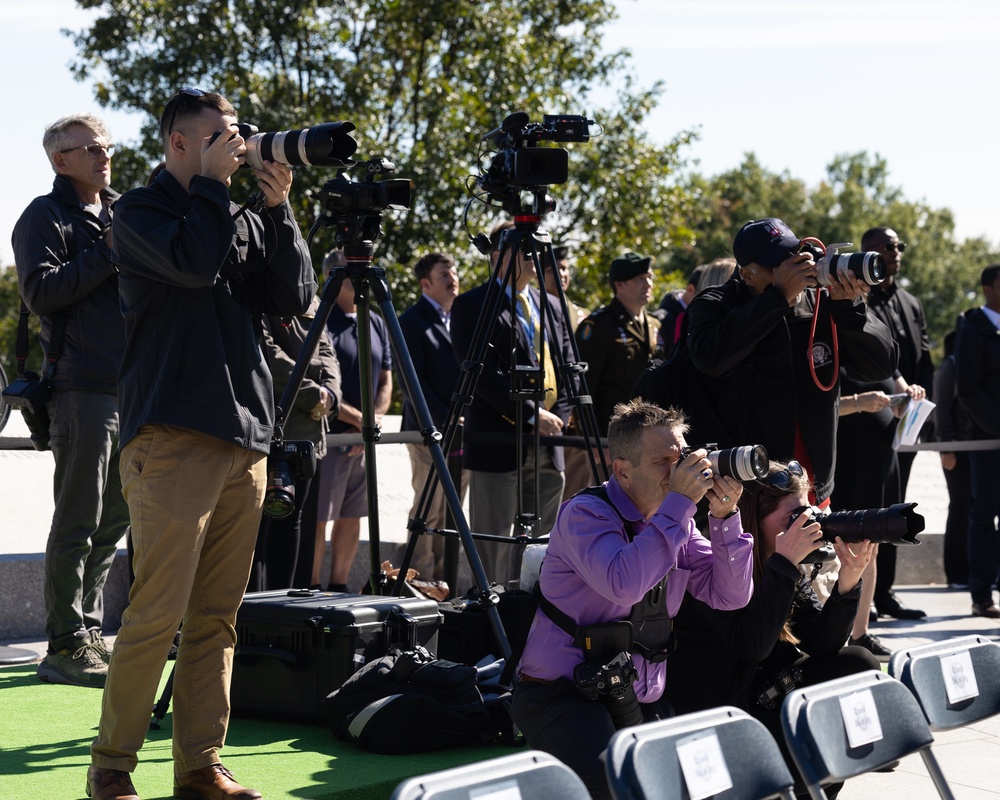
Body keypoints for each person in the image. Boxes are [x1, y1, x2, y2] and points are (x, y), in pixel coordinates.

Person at [88, 89, 314, 800]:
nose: (235, 145)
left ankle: (199, 767)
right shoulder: (139, 213)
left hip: (243, 438)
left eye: (238, 134)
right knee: (157, 613)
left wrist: (280, 213)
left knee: (217, 619)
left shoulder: (236, 215)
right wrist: (218, 190)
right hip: (174, 437)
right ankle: (112, 767)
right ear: (178, 143)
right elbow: (192, 262)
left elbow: (294, 298)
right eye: (218, 135)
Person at [510, 400, 753, 798]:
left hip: (633, 696)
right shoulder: (585, 515)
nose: (678, 473)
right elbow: (623, 583)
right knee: (613, 785)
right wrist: (680, 507)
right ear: (622, 470)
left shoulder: (678, 520)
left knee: (705, 783)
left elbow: (730, 596)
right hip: (561, 696)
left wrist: (725, 518)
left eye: (682, 458)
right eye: (664, 461)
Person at [664, 460, 879, 797]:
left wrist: (847, 585)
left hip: (765, 694)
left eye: (807, 512)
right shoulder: (713, 564)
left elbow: (820, 643)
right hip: (721, 712)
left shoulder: (782, 563)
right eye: (793, 518)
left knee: (857, 665)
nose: (806, 524)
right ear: (754, 519)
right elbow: (753, 645)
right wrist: (784, 565)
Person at [12, 113, 130, 688]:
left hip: (133, 387)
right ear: (60, 160)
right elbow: (41, 293)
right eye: (88, 149)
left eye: (105, 146)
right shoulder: (43, 215)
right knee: (80, 518)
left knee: (116, 518)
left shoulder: (123, 210)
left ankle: (87, 631)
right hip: (82, 387)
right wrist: (107, 250)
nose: (102, 155)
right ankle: (63, 643)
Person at [679, 218, 898, 506]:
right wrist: (776, 299)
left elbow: (881, 365)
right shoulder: (716, 304)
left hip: (814, 488)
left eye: (794, 256)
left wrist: (850, 308)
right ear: (746, 274)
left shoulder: (818, 303)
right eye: (777, 265)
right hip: (747, 491)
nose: (793, 269)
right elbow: (712, 359)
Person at [449, 220, 574, 588]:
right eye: (524, 249)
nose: (533, 257)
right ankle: (490, 623)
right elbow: (481, 376)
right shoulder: (472, 304)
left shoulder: (551, 304)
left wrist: (560, 417)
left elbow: (567, 368)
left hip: (551, 446)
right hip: (500, 443)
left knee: (543, 547)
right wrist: (533, 415)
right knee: (494, 546)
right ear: (499, 255)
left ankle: (534, 620)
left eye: (536, 248)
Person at [860, 226, 932, 619]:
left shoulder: (909, 301)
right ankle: (862, 598)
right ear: (868, 251)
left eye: (899, 246)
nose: (896, 252)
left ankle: (885, 591)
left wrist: (925, 413)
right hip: (869, 422)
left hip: (907, 420)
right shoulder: (859, 299)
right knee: (870, 509)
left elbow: (923, 358)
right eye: (888, 247)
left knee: (898, 505)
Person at [248, 294, 342, 591]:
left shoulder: (310, 296)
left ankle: (280, 609)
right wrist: (314, 395)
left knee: (291, 524)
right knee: (254, 531)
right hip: (269, 430)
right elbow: (265, 351)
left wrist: (330, 394)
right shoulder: (258, 284)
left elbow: (326, 350)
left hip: (308, 433)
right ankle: (249, 616)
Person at [313, 251, 393, 591]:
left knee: (352, 514)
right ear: (333, 274)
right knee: (319, 517)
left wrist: (372, 421)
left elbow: (387, 377)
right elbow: (316, 381)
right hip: (328, 435)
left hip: (363, 441)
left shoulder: (373, 320)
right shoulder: (319, 317)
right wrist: (360, 421)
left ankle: (339, 586)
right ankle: (311, 585)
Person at [398, 251, 467, 582]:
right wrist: (445, 418)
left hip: (464, 434)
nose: (453, 277)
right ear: (426, 283)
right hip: (429, 433)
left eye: (454, 271)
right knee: (428, 510)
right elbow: (412, 383)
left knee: (451, 512)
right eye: (444, 274)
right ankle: (419, 582)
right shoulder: (411, 321)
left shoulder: (463, 318)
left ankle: (443, 585)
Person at [832, 378, 900, 659]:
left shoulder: (880, 346)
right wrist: (858, 403)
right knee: (842, 545)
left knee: (871, 545)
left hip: (879, 460)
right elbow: (811, 406)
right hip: (847, 459)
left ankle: (860, 634)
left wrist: (907, 398)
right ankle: (832, 635)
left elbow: (899, 390)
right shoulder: (829, 341)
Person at [956, 264, 1000, 619]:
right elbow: (968, 391)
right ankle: (981, 595)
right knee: (984, 515)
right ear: (988, 288)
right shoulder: (973, 330)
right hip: (988, 442)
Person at [932, 327, 971, 589]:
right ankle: (956, 573)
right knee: (960, 506)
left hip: (978, 448)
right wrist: (946, 448)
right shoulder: (951, 367)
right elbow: (942, 411)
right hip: (956, 450)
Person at [545, 245, 588, 333]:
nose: (560, 274)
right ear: (537, 276)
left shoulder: (583, 313)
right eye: (552, 270)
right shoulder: (532, 309)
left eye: (564, 269)